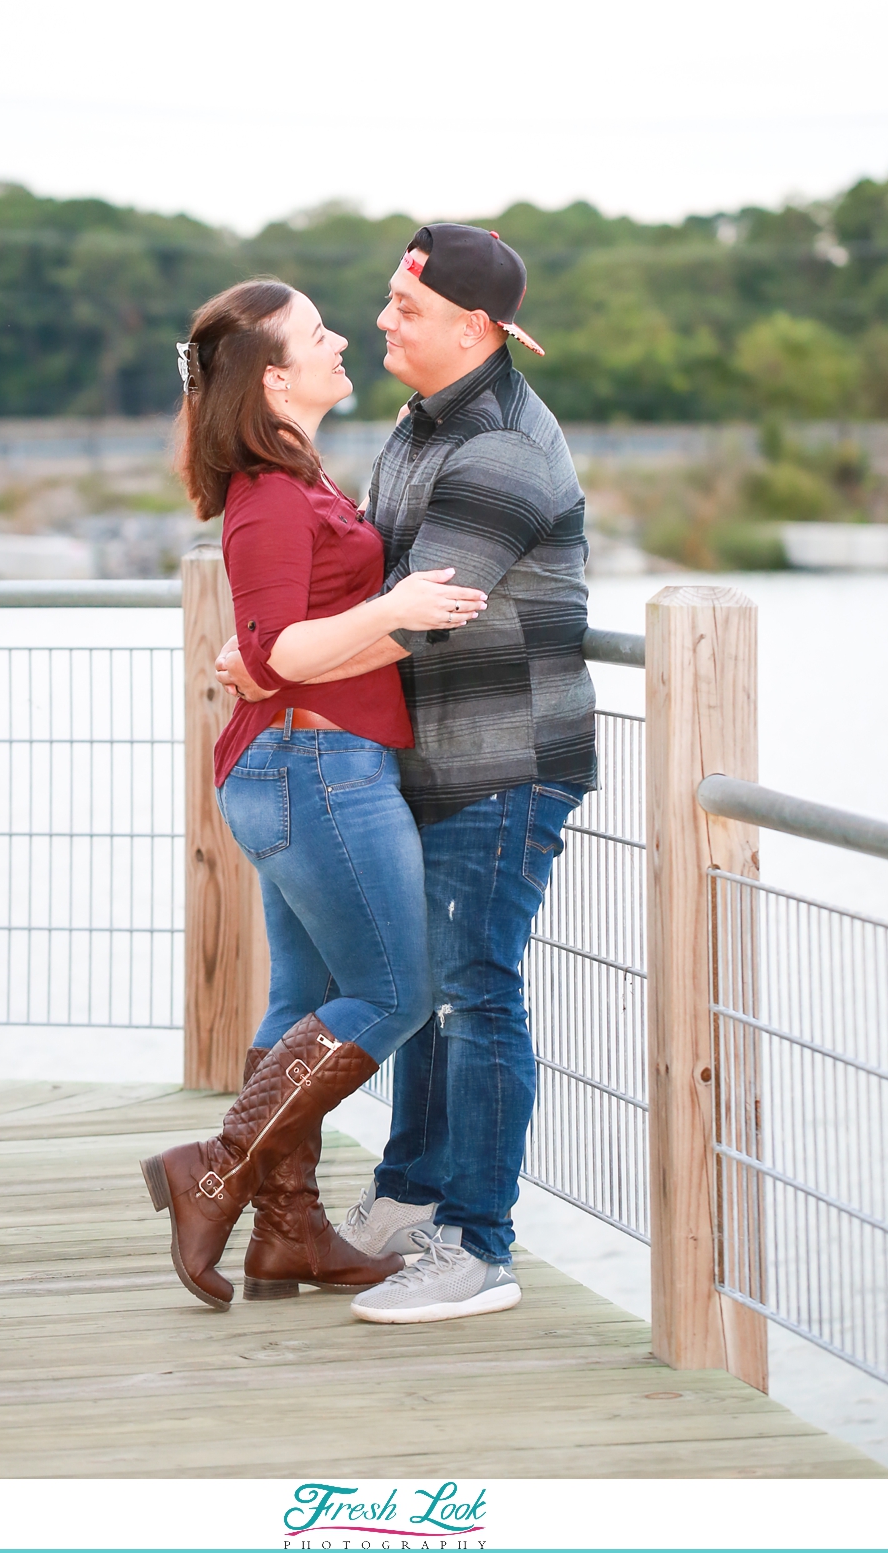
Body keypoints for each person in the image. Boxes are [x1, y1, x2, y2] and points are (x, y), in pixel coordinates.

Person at [219, 224, 597, 1324]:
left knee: (474, 991)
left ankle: (479, 1244)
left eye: (407, 306)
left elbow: (411, 626)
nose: (384, 319)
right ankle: (408, 1190)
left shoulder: (506, 450)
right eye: (387, 298)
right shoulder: (415, 426)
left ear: (474, 327)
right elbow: (367, 595)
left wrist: (261, 664)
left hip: (503, 762)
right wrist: (277, 655)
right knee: (421, 990)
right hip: (420, 760)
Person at [139, 277, 488, 1313]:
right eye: (317, 332)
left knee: (302, 1004)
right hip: (317, 774)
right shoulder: (273, 497)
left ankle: (288, 1232)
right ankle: (214, 1168)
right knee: (394, 991)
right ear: (276, 375)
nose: (343, 338)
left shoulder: (297, 479)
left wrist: (389, 622)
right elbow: (287, 644)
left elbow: (283, 645)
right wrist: (396, 604)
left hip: (305, 766)